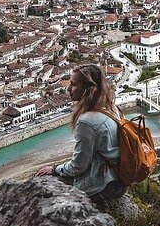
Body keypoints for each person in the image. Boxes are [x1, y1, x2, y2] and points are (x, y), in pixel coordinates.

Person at [37, 64, 126, 204]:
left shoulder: (87, 121)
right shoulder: (111, 108)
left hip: (102, 185)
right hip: (118, 180)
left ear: (87, 88)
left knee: (43, 186)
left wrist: (55, 169)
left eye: (73, 84)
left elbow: (78, 166)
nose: (68, 88)